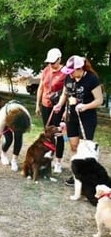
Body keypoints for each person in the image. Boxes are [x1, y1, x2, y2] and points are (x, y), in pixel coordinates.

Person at [53, 55, 103, 185]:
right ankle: (76, 175)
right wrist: (59, 104)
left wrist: (85, 106)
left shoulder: (91, 79)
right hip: (71, 117)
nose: (70, 74)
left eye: (72, 71)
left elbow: (99, 100)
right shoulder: (69, 78)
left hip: (87, 119)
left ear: (80, 68)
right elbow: (65, 93)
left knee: (84, 148)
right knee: (74, 146)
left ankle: (87, 176)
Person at [35, 48, 67, 173]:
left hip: (59, 106)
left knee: (58, 134)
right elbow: (41, 87)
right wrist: (37, 104)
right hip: (46, 104)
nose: (51, 64)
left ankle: (58, 161)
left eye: (53, 62)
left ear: (59, 59)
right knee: (48, 133)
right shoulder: (46, 70)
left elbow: (67, 92)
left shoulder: (65, 72)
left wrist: (66, 110)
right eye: (50, 62)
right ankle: (47, 158)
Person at [0, 101, 32, 171]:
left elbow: (27, 128)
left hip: (19, 120)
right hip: (7, 116)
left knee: (18, 138)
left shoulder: (26, 117)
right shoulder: (3, 117)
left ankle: (14, 160)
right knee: (9, 138)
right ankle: (4, 154)